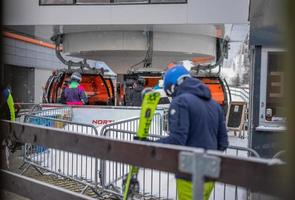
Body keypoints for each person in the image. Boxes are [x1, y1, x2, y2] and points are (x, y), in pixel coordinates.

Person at [157, 65, 228, 200]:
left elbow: (177, 140)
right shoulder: (214, 105)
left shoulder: (181, 102)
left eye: (170, 93)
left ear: (173, 86)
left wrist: (149, 145)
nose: (172, 97)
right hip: (210, 174)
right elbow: (223, 143)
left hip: (189, 174)